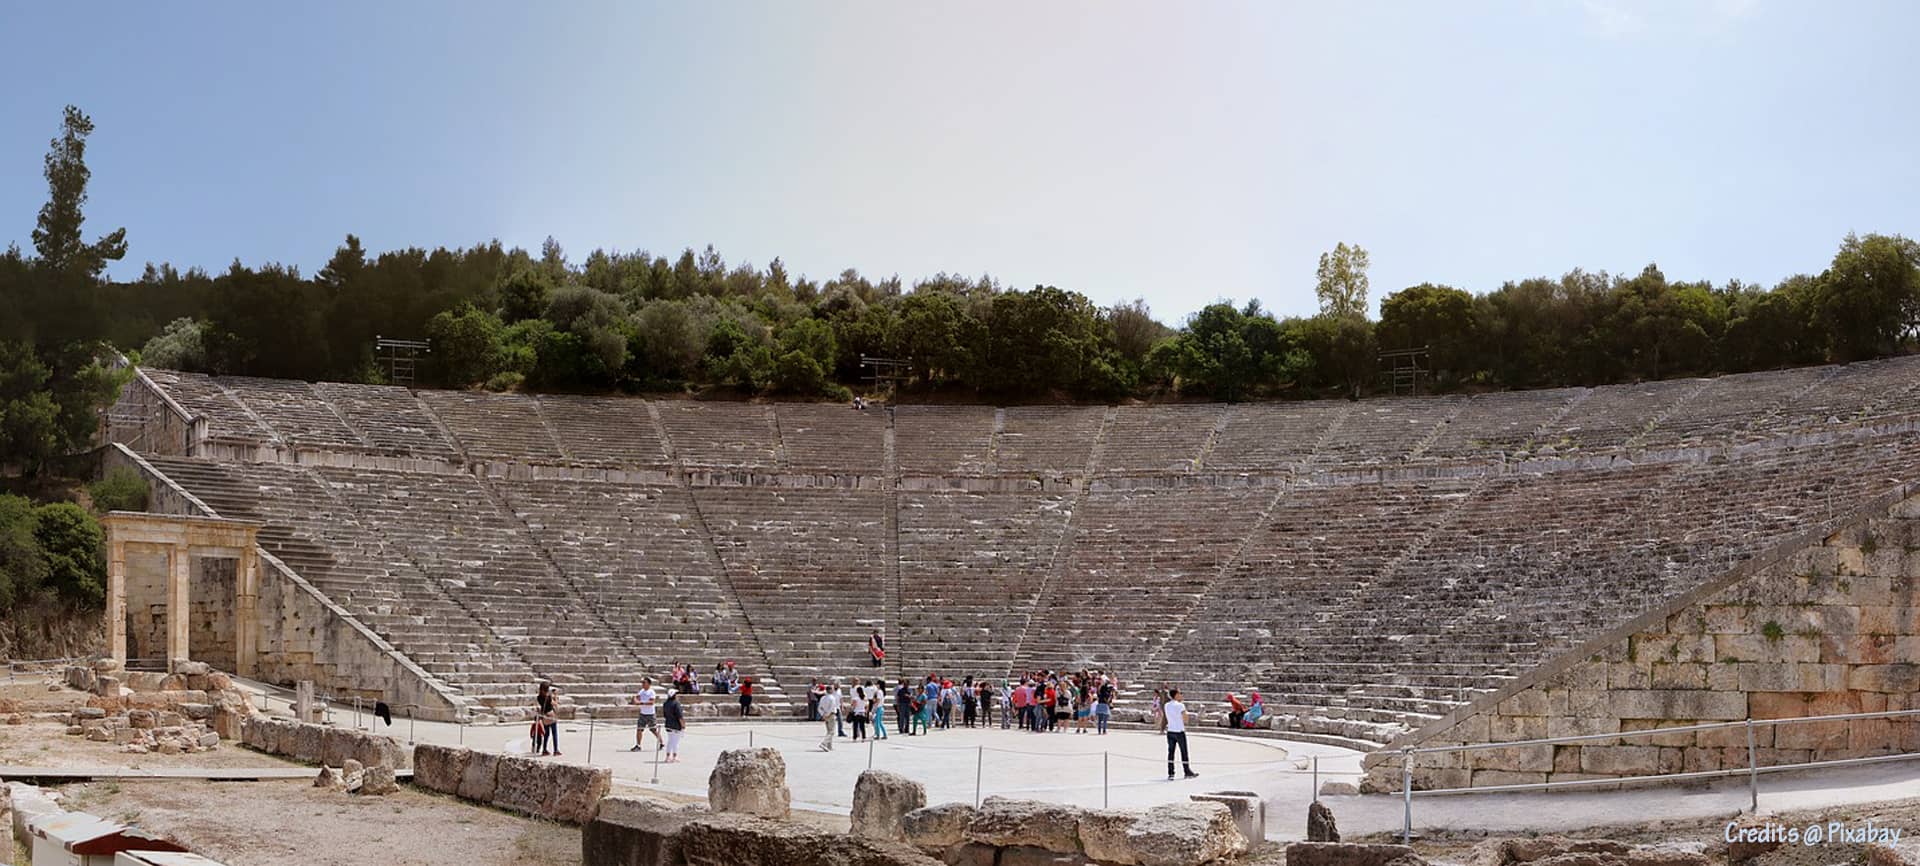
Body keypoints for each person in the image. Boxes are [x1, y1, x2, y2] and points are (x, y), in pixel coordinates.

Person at [1164, 688, 1197, 780]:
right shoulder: (1180, 705)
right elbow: (1185, 719)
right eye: (1180, 693)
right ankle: (1187, 771)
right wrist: (1186, 714)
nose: (1181, 695)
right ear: (1176, 695)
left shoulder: (1166, 705)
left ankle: (1171, 773)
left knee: (1171, 753)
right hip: (1179, 731)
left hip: (1170, 731)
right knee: (1184, 752)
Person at [630, 677, 664, 752]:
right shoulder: (641, 691)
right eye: (642, 683)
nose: (642, 684)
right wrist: (635, 700)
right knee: (639, 729)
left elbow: (651, 702)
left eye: (644, 683)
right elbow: (636, 697)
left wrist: (641, 703)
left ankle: (661, 742)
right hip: (643, 713)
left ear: (648, 684)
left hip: (650, 714)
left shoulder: (651, 692)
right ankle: (638, 745)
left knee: (653, 730)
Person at [534, 682, 560, 756]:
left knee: (546, 734)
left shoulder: (539, 697)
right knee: (554, 733)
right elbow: (555, 704)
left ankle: (544, 749)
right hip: (551, 715)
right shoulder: (549, 697)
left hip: (544, 716)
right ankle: (555, 750)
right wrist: (555, 696)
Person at [662, 687, 685, 762]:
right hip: (676, 725)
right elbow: (680, 716)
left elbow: (665, 715)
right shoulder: (676, 704)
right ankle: (674, 756)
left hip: (668, 724)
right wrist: (683, 725)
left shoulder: (665, 703)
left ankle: (667, 756)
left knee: (670, 741)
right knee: (675, 742)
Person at [817, 684, 840, 751]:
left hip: (825, 715)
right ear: (830, 690)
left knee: (829, 731)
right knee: (831, 732)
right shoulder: (832, 698)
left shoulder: (823, 698)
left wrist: (823, 714)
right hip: (831, 715)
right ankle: (824, 743)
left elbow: (819, 708)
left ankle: (829, 746)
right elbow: (832, 707)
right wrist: (828, 714)